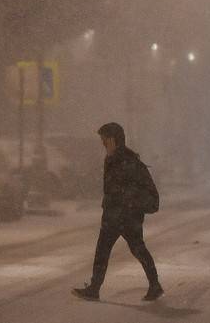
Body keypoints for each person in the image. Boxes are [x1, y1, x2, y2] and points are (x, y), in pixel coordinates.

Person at [72, 122, 164, 302]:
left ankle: (153, 285)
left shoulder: (128, 162)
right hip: (117, 216)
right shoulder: (114, 159)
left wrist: (126, 203)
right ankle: (152, 285)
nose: (103, 144)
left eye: (104, 140)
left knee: (130, 250)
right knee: (117, 251)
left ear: (113, 140)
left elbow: (142, 190)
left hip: (125, 216)